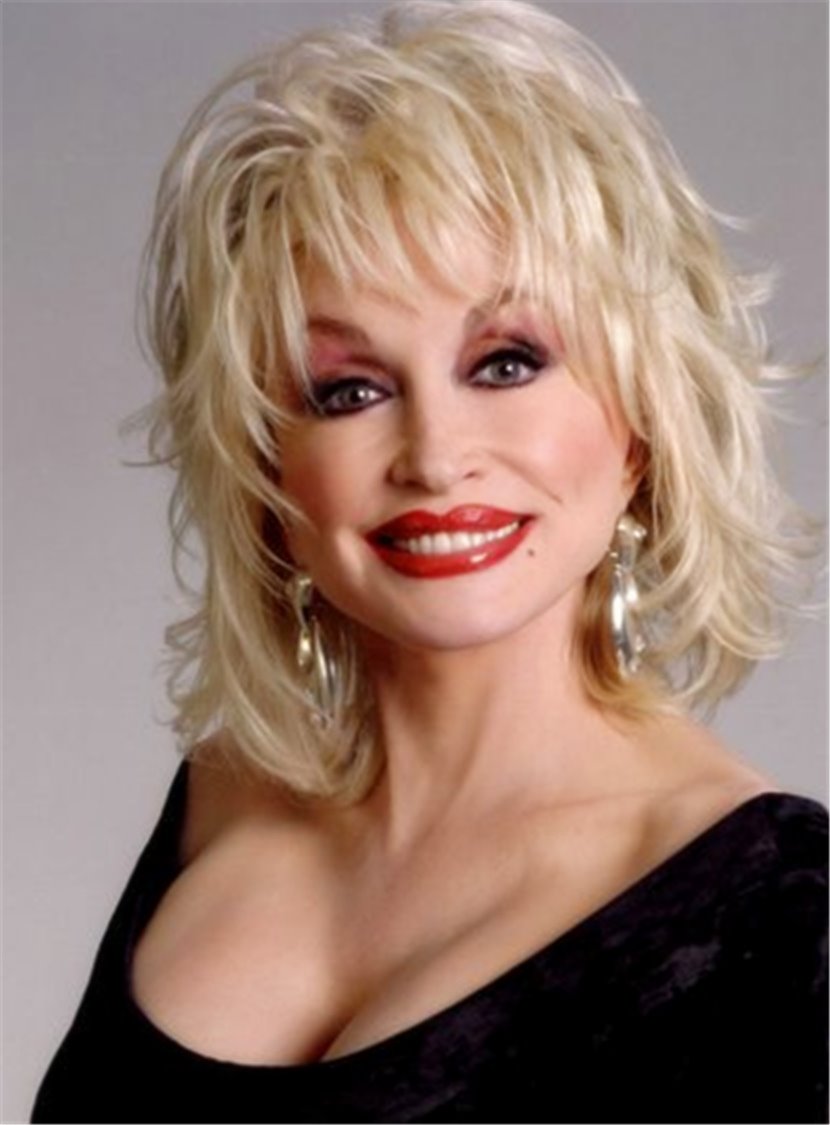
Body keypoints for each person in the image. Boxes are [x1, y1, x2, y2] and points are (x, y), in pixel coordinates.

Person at [32, 1, 826, 1122]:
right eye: (348, 389)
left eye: (505, 363)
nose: (437, 457)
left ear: (644, 419)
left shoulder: (780, 912)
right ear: (264, 471)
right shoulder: (221, 797)